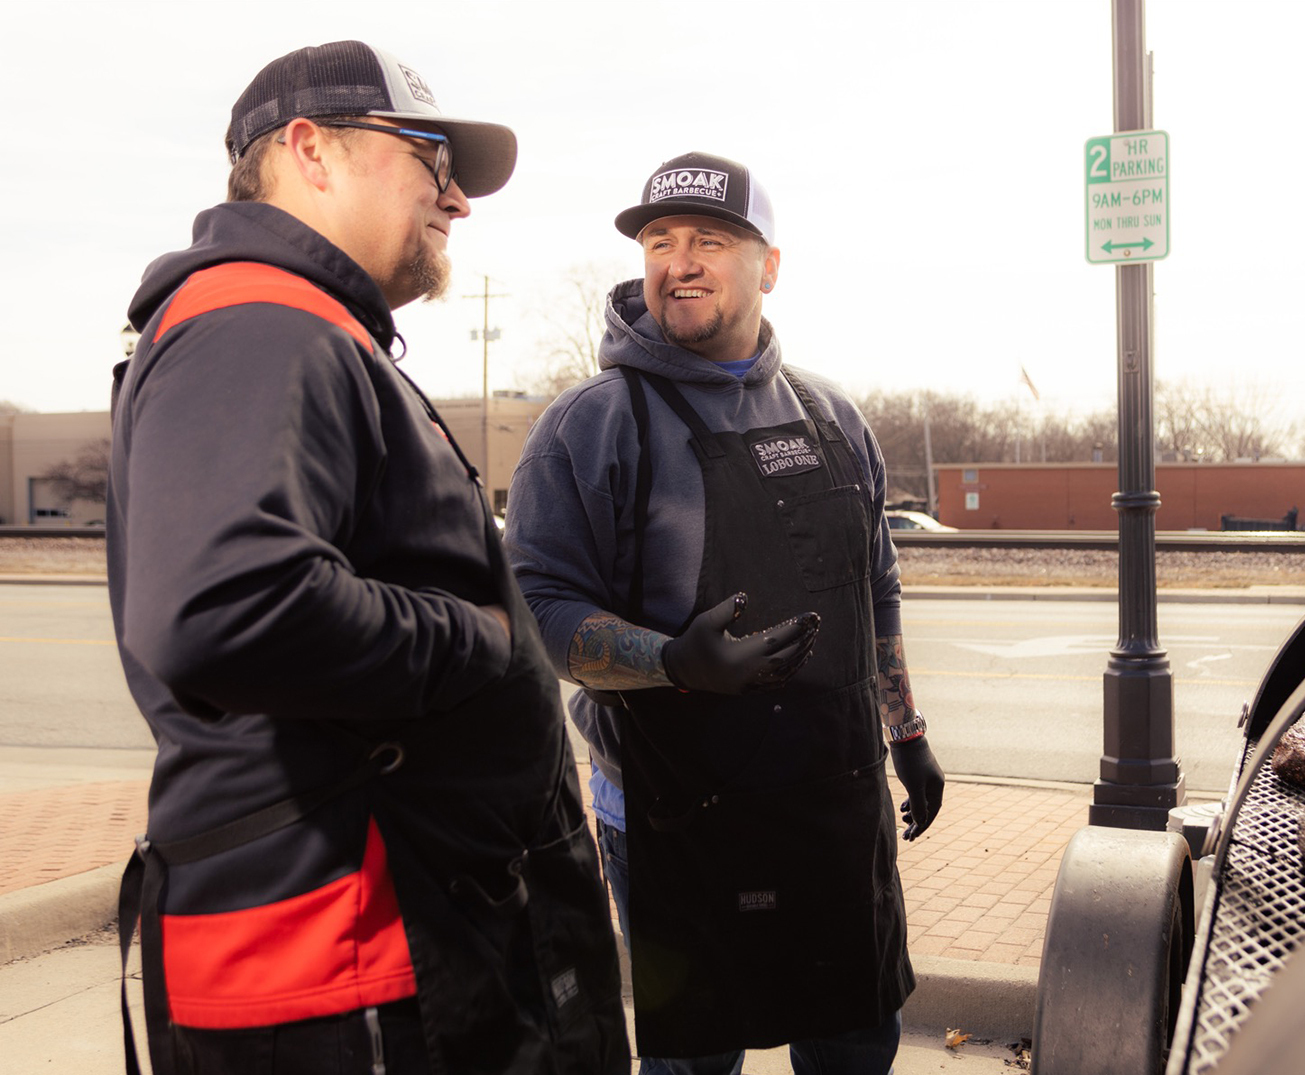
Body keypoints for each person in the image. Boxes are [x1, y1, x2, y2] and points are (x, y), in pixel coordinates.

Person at [107, 41, 628, 1075]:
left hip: (395, 955)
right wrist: (478, 643)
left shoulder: (309, 327)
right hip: (350, 974)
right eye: (433, 159)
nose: (459, 201)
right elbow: (224, 603)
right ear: (310, 151)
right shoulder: (256, 320)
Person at [504, 151, 947, 1073]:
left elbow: (876, 586)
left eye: (710, 239)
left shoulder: (834, 418)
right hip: (671, 816)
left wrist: (905, 733)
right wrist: (673, 662)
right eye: (660, 241)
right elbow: (537, 609)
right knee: (695, 1057)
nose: (680, 261)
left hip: (834, 795)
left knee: (855, 1041)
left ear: (768, 266)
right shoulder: (591, 425)